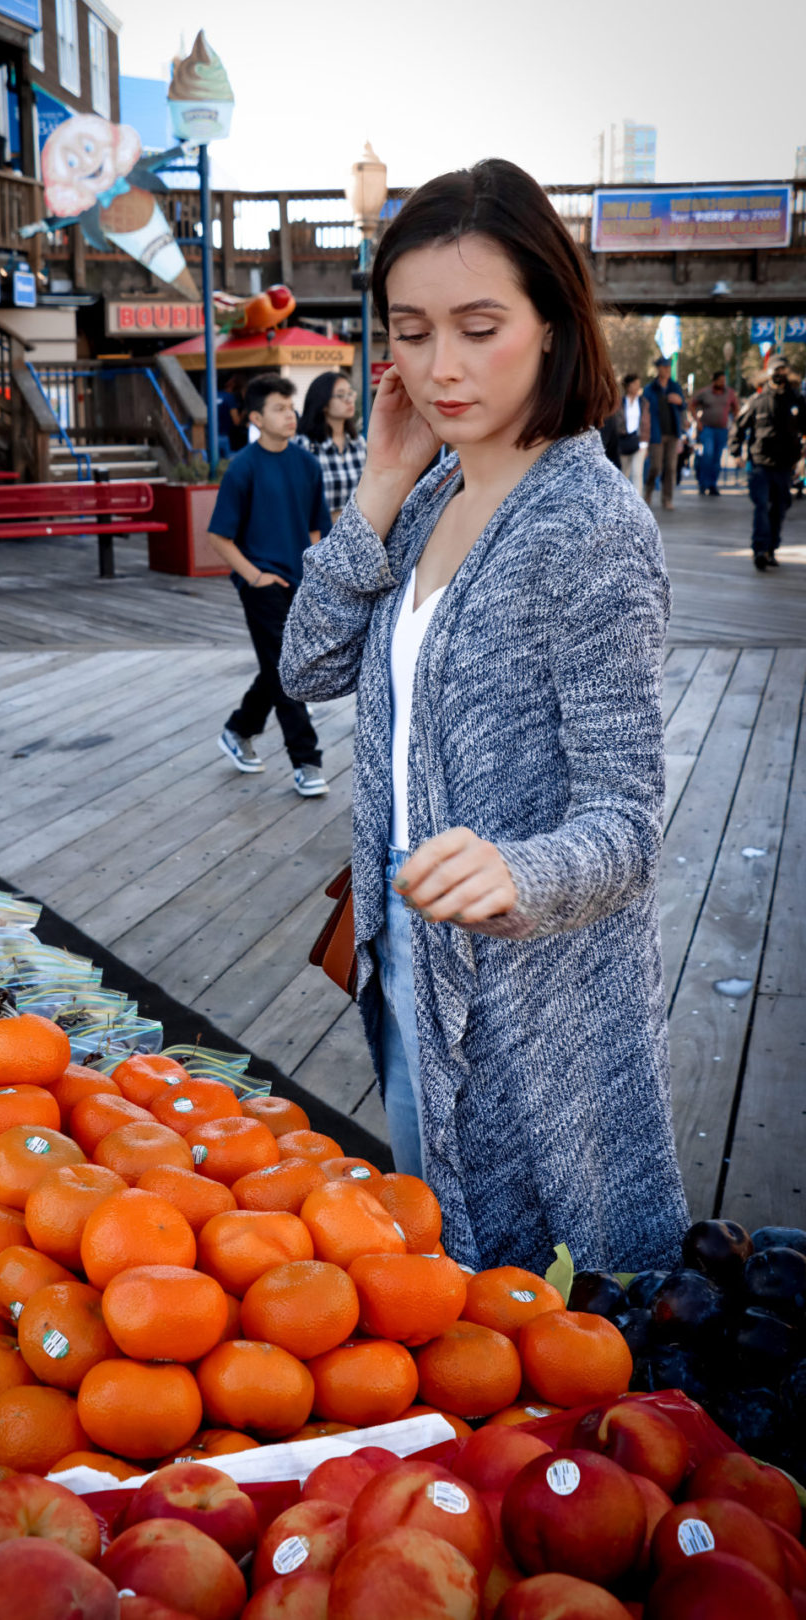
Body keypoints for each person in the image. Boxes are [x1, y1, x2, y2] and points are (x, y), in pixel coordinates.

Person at [280, 157, 689, 1274]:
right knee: (449, 1272)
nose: (442, 367)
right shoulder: (427, 501)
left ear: (552, 325)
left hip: (539, 1007)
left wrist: (521, 873)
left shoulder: (585, 524)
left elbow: (628, 821)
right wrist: (377, 486)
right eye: (412, 333)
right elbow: (307, 662)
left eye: (478, 326)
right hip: (417, 965)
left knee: (549, 1312)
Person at [209, 373, 332, 797]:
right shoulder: (242, 467)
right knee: (287, 669)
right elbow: (218, 536)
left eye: (290, 406)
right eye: (279, 408)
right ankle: (307, 761)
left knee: (278, 667)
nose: (290, 415)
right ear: (257, 418)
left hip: (300, 583)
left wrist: (313, 581)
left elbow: (317, 529)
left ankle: (239, 729)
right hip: (261, 583)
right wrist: (255, 578)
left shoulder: (307, 464)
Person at [728, 352, 805, 571]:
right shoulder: (757, 401)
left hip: (785, 466)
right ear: (768, 373)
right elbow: (738, 427)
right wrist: (735, 452)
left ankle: (771, 549)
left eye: (783, 370)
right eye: (776, 370)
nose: (780, 374)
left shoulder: (797, 400)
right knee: (761, 506)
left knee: (779, 509)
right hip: (760, 464)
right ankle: (759, 550)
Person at [293, 371, 368, 522]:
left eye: (350, 393)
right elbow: (298, 501)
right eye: (341, 395)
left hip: (359, 536)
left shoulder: (358, 443)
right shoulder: (305, 445)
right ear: (323, 403)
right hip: (319, 538)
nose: (349, 400)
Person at [643, 358, 685, 510]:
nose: (666, 370)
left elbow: (683, 406)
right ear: (658, 369)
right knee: (655, 467)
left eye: (668, 367)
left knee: (671, 468)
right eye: (664, 367)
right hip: (656, 434)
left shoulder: (675, 386)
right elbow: (644, 409)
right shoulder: (650, 388)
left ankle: (667, 499)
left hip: (673, 433)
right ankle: (647, 492)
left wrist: (680, 401)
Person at [690, 369, 739, 496]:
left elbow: (735, 408)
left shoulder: (730, 393)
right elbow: (692, 405)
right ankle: (703, 484)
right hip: (707, 429)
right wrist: (697, 422)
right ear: (714, 381)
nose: (723, 383)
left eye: (724, 381)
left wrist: (734, 421)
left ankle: (712, 484)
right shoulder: (705, 393)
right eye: (720, 380)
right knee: (708, 455)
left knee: (717, 458)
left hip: (722, 430)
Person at [617, 374, 650, 497]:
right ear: (628, 386)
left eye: (638, 384)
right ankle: (623, 500)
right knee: (623, 473)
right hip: (624, 441)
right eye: (635, 384)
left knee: (637, 473)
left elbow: (646, 422)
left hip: (639, 441)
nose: (637, 386)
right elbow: (617, 421)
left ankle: (638, 502)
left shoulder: (643, 402)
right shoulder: (620, 402)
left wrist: (645, 442)